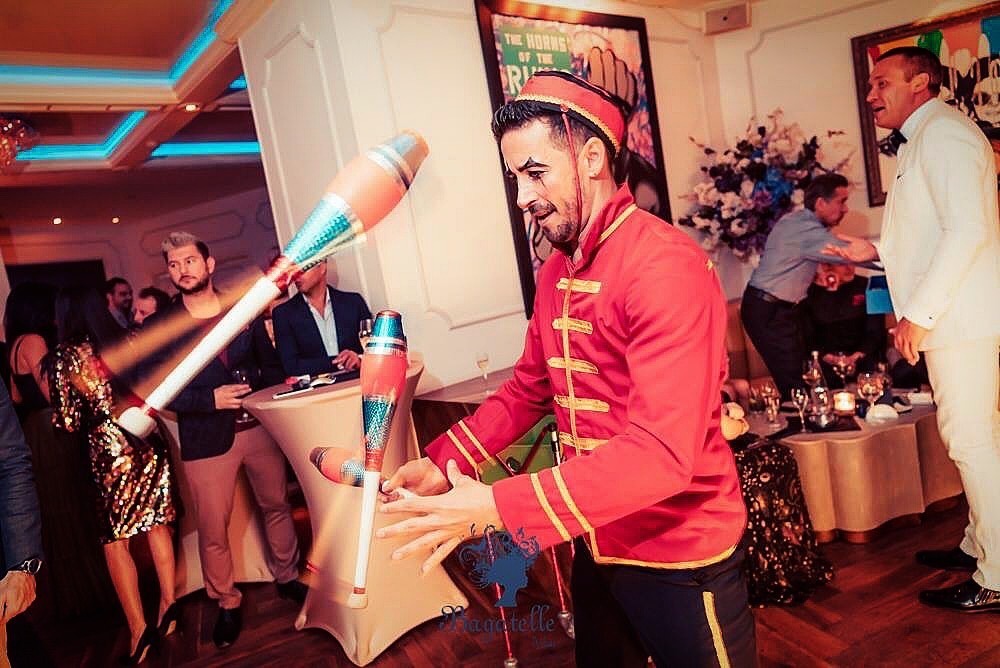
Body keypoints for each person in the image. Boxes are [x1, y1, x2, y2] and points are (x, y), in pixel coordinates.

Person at [379, 71, 756, 667]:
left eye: (535, 172)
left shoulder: (665, 266)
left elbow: (661, 453)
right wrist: (441, 463)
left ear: (592, 159)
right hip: (596, 537)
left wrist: (500, 506)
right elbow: (529, 388)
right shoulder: (559, 268)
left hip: (681, 551)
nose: (522, 197)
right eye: (515, 177)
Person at [827, 46, 1000, 612]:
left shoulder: (945, 135)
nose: (871, 94)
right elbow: (929, 233)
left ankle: (997, 575)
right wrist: (874, 248)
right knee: (976, 438)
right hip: (958, 315)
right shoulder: (927, 137)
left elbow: (967, 231)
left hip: (960, 317)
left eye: (882, 83)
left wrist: (918, 316)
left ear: (921, 81)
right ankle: (979, 546)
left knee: (971, 440)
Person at [146, 232, 305, 649]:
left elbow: (270, 366)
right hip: (205, 438)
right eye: (174, 265)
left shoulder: (241, 309)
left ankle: (288, 577)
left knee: (277, 505)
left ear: (209, 264)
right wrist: (209, 400)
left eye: (189, 261)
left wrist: (265, 390)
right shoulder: (162, 326)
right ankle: (227, 602)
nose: (182, 270)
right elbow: (159, 390)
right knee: (213, 527)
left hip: (257, 427)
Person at [49, 286, 176, 664]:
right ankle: (169, 608)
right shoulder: (126, 340)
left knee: (116, 541)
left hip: (108, 452)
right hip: (146, 438)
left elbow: (69, 420)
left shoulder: (65, 356)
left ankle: (138, 630)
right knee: (157, 526)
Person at [740, 173, 863, 399]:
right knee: (794, 383)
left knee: (802, 377)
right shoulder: (804, 228)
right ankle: (801, 420)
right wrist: (887, 256)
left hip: (781, 308)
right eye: (842, 201)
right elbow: (850, 253)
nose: (846, 209)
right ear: (821, 203)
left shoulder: (799, 224)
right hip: (769, 310)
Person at [271, 259, 371, 377]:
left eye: (302, 268)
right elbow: (291, 366)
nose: (296, 276)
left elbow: (376, 349)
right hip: (316, 388)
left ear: (322, 267)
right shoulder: (283, 314)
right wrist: (342, 362)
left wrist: (359, 358)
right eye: (293, 271)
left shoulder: (353, 303)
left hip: (358, 383)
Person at [801, 263, 887, 386]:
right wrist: (831, 358)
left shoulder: (866, 285)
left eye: (850, 261)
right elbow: (807, 334)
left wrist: (855, 357)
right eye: (841, 263)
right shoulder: (809, 291)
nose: (849, 266)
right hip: (825, 359)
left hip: (862, 357)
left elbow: (876, 331)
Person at [3, 283, 56, 422]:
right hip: (49, 421)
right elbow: (53, 394)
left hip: (36, 421)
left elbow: (16, 396)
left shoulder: (17, 343)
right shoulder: (33, 341)